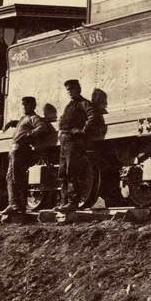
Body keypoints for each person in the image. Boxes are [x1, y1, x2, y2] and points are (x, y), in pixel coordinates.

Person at [56, 79, 102, 212]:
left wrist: (83, 131)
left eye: (72, 89)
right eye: (68, 90)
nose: (69, 92)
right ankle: (64, 202)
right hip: (64, 141)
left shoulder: (84, 103)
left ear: (78, 89)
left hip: (73, 141)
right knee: (63, 173)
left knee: (72, 172)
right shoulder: (69, 105)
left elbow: (93, 117)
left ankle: (72, 202)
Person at [4, 96, 54, 213]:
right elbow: (23, 124)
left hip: (20, 149)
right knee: (10, 177)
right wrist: (12, 123)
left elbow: (42, 127)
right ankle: (13, 204)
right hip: (14, 150)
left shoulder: (34, 118)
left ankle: (19, 205)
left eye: (26, 104)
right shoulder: (24, 118)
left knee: (17, 177)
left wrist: (29, 135)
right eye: (23, 105)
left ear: (33, 106)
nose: (23, 107)